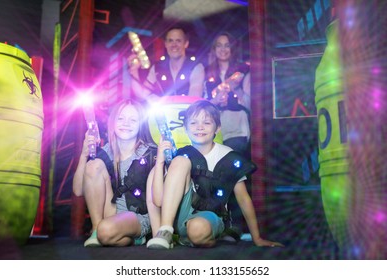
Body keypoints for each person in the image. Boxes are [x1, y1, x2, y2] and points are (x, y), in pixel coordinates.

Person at [146, 100, 283, 249]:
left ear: (217, 128)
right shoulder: (181, 156)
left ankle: (208, 239)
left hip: (209, 217)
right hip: (180, 217)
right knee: (176, 163)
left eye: (207, 123)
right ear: (185, 128)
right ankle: (165, 231)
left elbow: (243, 199)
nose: (200, 127)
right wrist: (159, 162)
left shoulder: (228, 157)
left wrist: (257, 238)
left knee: (197, 229)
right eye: (193, 123)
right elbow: (159, 201)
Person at [73, 99, 157, 247]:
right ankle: (96, 230)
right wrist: (83, 155)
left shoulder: (150, 154)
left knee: (105, 231)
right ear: (112, 122)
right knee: (93, 165)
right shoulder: (104, 152)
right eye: (121, 118)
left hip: (137, 216)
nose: (126, 123)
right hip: (110, 213)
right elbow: (78, 191)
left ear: (140, 124)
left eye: (133, 120)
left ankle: (106, 232)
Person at [205, 32, 252, 241]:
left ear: (232, 48)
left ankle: (240, 225)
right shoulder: (207, 73)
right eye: (219, 45)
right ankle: (223, 225)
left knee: (236, 176)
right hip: (216, 130)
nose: (223, 49)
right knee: (217, 177)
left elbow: (252, 100)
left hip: (237, 127)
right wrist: (215, 102)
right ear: (214, 49)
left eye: (227, 45)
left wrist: (236, 97)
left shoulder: (243, 70)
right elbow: (202, 102)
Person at [128, 26, 205, 101]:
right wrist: (134, 71)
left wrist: (161, 100)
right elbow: (142, 94)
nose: (174, 45)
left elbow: (193, 100)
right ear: (165, 44)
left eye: (178, 41)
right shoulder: (157, 67)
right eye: (170, 41)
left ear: (186, 44)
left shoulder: (196, 67)